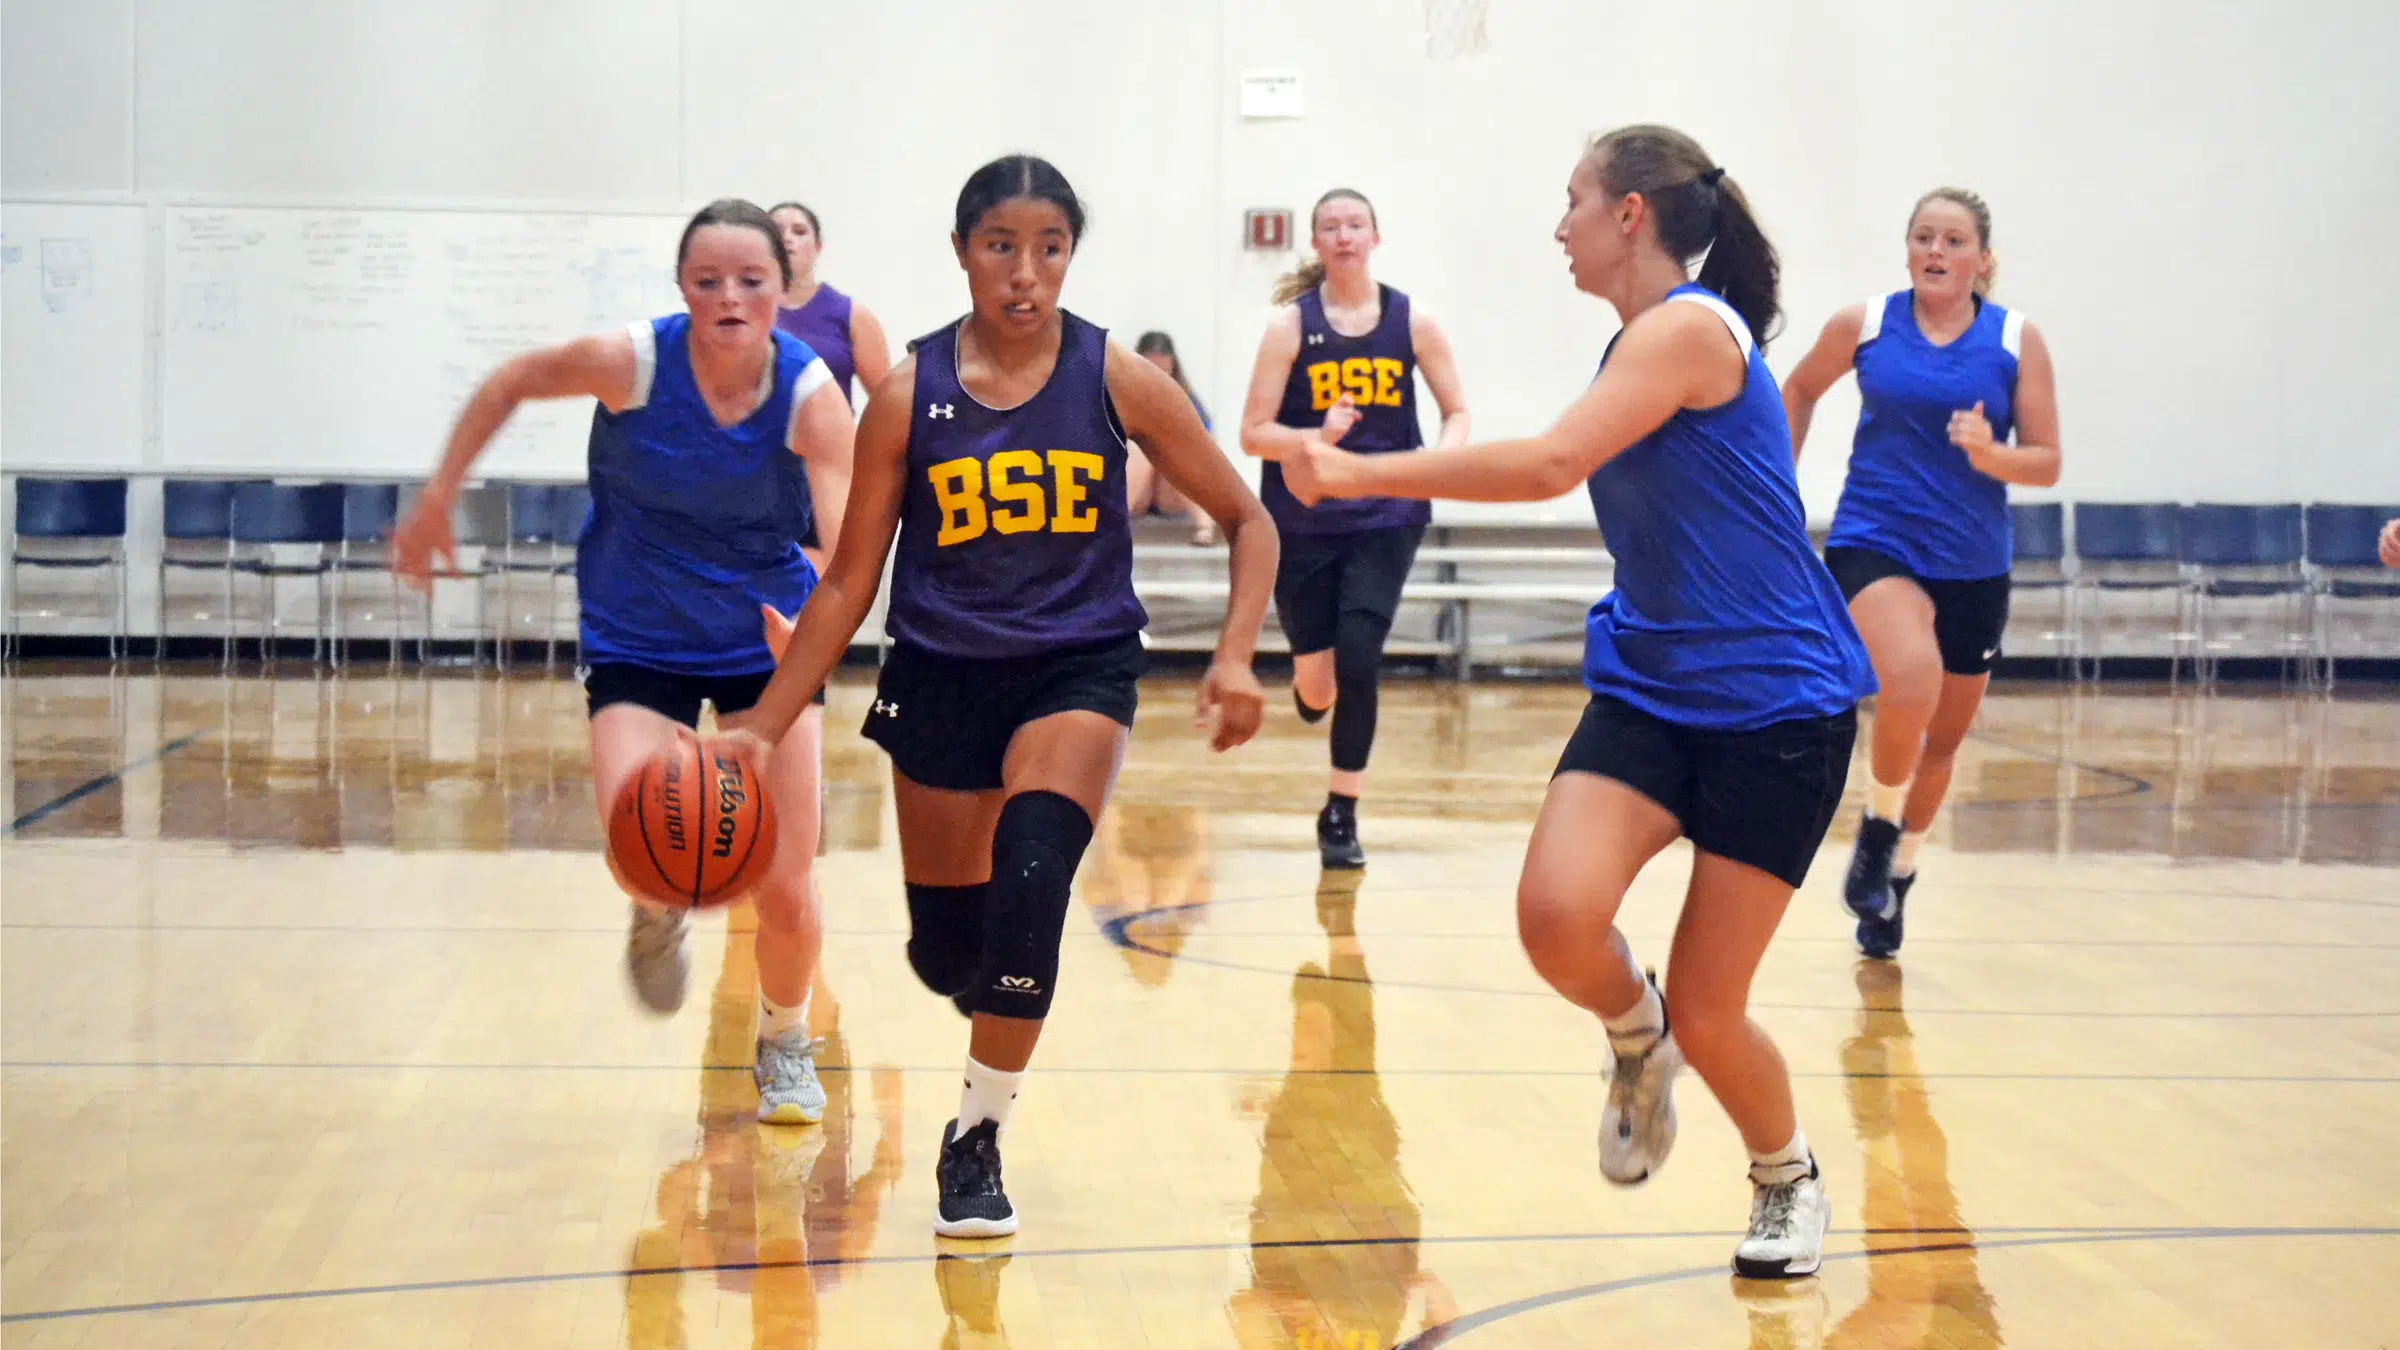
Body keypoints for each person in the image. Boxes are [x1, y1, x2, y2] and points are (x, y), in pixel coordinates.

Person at [1282, 124, 1872, 1279]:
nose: (1559, 225)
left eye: (1573, 201)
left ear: (1631, 216)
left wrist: (1361, 473)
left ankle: (1786, 1179)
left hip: (1778, 707)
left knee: (1716, 1008)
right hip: (1653, 688)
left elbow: (1551, 466)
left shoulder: (1690, 333)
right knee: (1555, 917)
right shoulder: (1640, 341)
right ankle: (1633, 1031)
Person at [720, 154, 1278, 1238]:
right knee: (952, 956)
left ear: (1071, 254)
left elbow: (1253, 521)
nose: (1026, 272)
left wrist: (1235, 654)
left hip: (1077, 670)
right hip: (940, 677)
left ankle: (974, 1138)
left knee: (1032, 887)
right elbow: (847, 581)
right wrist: (764, 721)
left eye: (1050, 248)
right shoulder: (905, 390)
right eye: (1001, 247)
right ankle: (982, 1000)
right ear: (963, 250)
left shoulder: (1114, 375)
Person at [389, 199, 856, 1125]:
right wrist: (439, 495)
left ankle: (785, 1043)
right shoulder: (634, 364)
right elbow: (513, 380)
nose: (729, 296)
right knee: (639, 839)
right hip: (638, 631)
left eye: (751, 280)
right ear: (682, 288)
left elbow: (846, 563)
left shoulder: (812, 401)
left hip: (763, 637)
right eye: (708, 280)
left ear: (783, 291)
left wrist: (809, 649)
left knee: (789, 884)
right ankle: (657, 904)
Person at [1782, 187, 2061, 958]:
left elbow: (2046, 460)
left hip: (1973, 561)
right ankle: (1877, 831)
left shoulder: (2014, 340)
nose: (1936, 252)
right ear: (1908, 249)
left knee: (1943, 739)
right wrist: (1778, 480)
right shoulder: (1865, 324)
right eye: (1923, 237)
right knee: (1909, 677)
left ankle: (1897, 876)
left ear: (1982, 259)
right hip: (1877, 540)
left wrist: (1991, 454)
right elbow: (1800, 389)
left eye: (1953, 240)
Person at [1237, 189, 1470, 869]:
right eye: (1330, 227)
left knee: (1361, 653)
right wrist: (1318, 434)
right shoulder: (1290, 328)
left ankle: (1341, 811)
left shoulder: (1412, 322)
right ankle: (1313, 685)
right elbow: (1253, 434)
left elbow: (1457, 410)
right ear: (1316, 243)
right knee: (1318, 685)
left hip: (1385, 511)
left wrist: (1439, 463)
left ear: (1374, 236)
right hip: (1305, 516)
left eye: (1355, 224)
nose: (1343, 235)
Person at [770, 201, 894, 570]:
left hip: (828, 471)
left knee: (825, 588)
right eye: (777, 230)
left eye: (799, 231)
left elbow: (889, 404)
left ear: (818, 247)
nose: (787, 239)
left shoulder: (849, 314)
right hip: (763, 471)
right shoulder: (747, 314)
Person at [1127, 331, 1221, 545]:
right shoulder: (1120, 396)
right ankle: (1110, 530)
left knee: (1179, 453)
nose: (1157, 376)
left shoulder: (1185, 401)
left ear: (1173, 367)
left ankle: (1205, 528)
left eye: (1163, 370)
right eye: (1151, 369)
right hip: (1136, 490)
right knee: (1141, 451)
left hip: (1171, 491)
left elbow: (1207, 451)